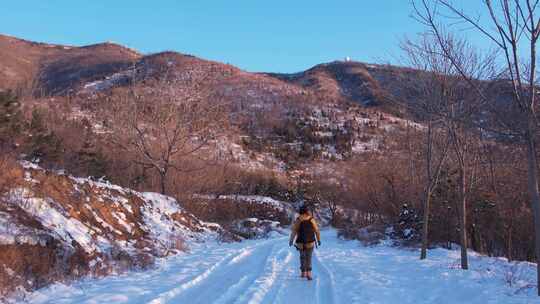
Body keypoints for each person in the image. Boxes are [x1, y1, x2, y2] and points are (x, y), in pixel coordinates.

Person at [289, 205, 321, 281]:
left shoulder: (298, 220)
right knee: (309, 257)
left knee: (302, 257)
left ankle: (303, 272)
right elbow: (316, 230)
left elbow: (294, 231)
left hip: (300, 243)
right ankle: (309, 273)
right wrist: (319, 239)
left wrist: (291, 240)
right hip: (310, 242)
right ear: (307, 211)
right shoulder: (311, 219)